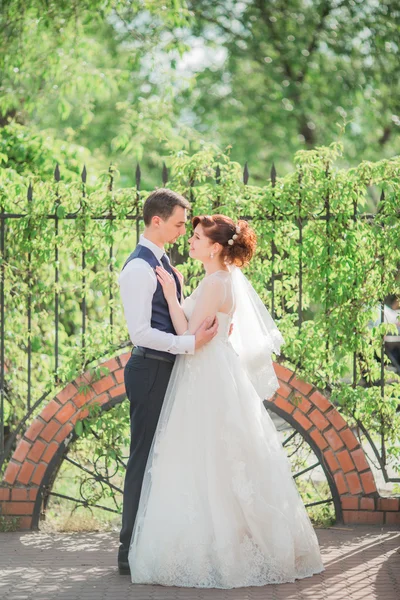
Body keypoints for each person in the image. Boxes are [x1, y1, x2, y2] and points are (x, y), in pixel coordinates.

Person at [128, 214, 324, 588]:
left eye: (197, 237)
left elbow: (187, 333)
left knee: (207, 457)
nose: (191, 241)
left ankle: (218, 550)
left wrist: (171, 295)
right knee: (222, 457)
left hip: (204, 373)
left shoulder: (217, 282)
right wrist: (184, 293)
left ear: (215, 247)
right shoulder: (221, 279)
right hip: (215, 369)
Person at [117, 189, 219, 575]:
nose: (182, 231)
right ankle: (127, 550)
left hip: (167, 369)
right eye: (178, 224)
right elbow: (140, 332)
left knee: (162, 458)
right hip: (148, 371)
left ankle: (149, 541)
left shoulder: (162, 264)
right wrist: (190, 343)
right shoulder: (137, 269)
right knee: (143, 458)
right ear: (155, 221)